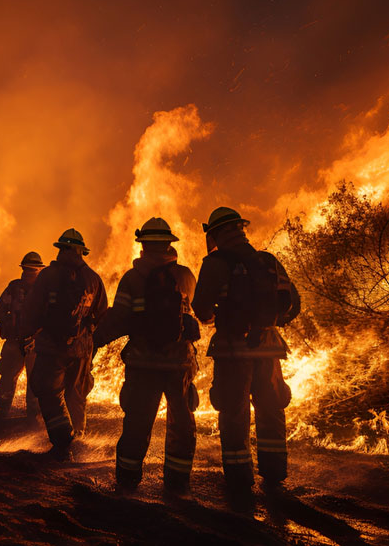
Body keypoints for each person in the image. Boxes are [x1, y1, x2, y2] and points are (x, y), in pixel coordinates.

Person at [191, 206, 301, 501]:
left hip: (233, 353)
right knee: (271, 408)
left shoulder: (215, 263)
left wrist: (215, 316)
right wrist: (267, 325)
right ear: (242, 230)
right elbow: (293, 303)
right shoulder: (267, 260)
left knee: (234, 412)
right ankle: (275, 472)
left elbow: (200, 307)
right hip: (269, 350)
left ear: (215, 234)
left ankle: (240, 479)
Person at [94, 217, 200, 496]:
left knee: (138, 422)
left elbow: (119, 318)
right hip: (179, 363)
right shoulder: (186, 276)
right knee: (181, 421)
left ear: (143, 245)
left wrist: (95, 340)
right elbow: (200, 315)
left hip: (142, 362)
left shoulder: (132, 278)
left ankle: (127, 479)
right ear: (169, 244)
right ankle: (177, 481)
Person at [21, 228, 108, 460]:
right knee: (76, 394)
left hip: (51, 346)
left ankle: (62, 438)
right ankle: (77, 443)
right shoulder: (94, 279)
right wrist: (91, 342)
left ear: (61, 249)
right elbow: (101, 315)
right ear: (81, 251)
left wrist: (26, 335)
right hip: (82, 348)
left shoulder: (48, 276)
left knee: (46, 387)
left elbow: (32, 310)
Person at [0, 251, 46, 419]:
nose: (29, 273)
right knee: (34, 382)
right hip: (34, 344)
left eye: (30, 270)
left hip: (16, 342)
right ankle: (32, 418)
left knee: (9, 377)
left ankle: (1, 414)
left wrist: (10, 319)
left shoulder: (14, 287)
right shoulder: (45, 290)